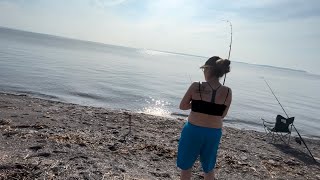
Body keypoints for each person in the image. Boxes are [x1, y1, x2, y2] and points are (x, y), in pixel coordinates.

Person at [177, 56, 232, 180]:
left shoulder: (196, 85)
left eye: (204, 70)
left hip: (193, 131)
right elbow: (222, 115)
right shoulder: (228, 91)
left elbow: (182, 106)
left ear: (208, 69)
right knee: (208, 167)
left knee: (186, 166)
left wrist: (197, 104)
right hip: (213, 133)